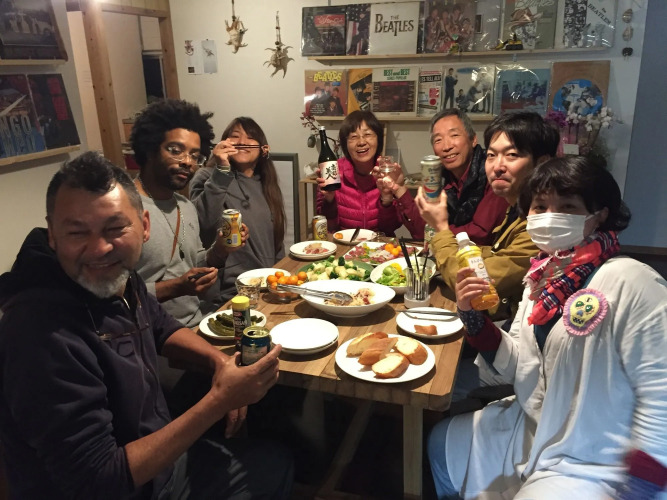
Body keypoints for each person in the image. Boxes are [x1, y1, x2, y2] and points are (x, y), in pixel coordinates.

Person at [0, 151, 293, 499]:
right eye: (77, 232)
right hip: (125, 486)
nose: (99, 248)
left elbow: (161, 326)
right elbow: (99, 481)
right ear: (52, 235)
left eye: (115, 228)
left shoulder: (121, 279)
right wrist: (219, 400)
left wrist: (219, 361)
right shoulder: (38, 334)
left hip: (157, 465)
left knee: (276, 460)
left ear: (144, 225)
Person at [427, 156, 667, 500]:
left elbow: (661, 388)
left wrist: (642, 482)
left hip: (598, 459)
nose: (550, 216)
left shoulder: (630, 280)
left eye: (567, 206)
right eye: (540, 206)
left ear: (600, 214)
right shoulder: (542, 280)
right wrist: (471, 314)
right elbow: (517, 364)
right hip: (533, 425)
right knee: (442, 444)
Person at [416, 111, 559, 321]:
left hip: (513, 326)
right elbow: (494, 253)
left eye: (512, 155)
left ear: (541, 163)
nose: (497, 167)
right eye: (491, 155)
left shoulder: (543, 227)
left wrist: (441, 229)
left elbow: (470, 284)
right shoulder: (517, 208)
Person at [130, 99, 247, 328]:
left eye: (195, 156)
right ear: (150, 149)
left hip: (198, 321)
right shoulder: (124, 209)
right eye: (176, 151)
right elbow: (113, 295)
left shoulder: (185, 206)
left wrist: (220, 250)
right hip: (150, 336)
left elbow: (195, 264)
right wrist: (177, 287)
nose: (187, 162)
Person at [190, 116, 286, 300]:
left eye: (251, 137)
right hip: (229, 290)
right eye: (235, 136)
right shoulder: (207, 176)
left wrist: (280, 272)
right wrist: (222, 170)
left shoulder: (266, 183)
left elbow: (276, 239)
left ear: (263, 149)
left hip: (266, 284)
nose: (242, 141)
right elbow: (202, 222)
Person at [316, 110, 423, 238]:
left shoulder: (387, 173)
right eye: (353, 137)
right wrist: (329, 200)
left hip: (378, 246)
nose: (361, 142)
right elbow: (329, 227)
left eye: (367, 134)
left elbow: (389, 228)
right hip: (345, 245)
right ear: (345, 144)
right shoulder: (333, 172)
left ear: (378, 139)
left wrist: (386, 200)